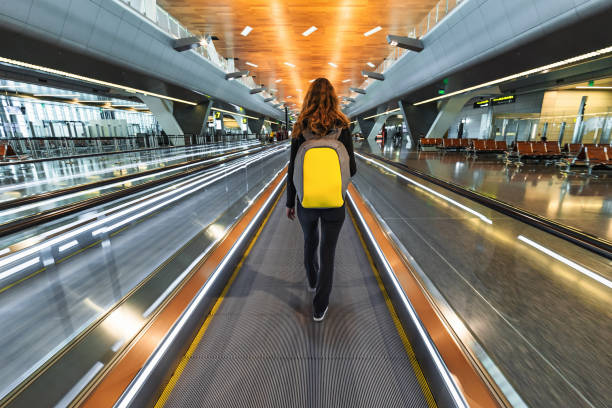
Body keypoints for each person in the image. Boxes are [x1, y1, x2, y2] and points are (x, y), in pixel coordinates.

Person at [286, 78, 356, 322]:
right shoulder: (342, 126)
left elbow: (293, 168)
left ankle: (313, 281)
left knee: (309, 241)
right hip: (335, 201)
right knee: (328, 251)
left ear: (309, 97)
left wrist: (289, 202)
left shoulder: (300, 126)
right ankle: (320, 306)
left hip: (306, 200)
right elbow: (353, 168)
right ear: (334, 97)